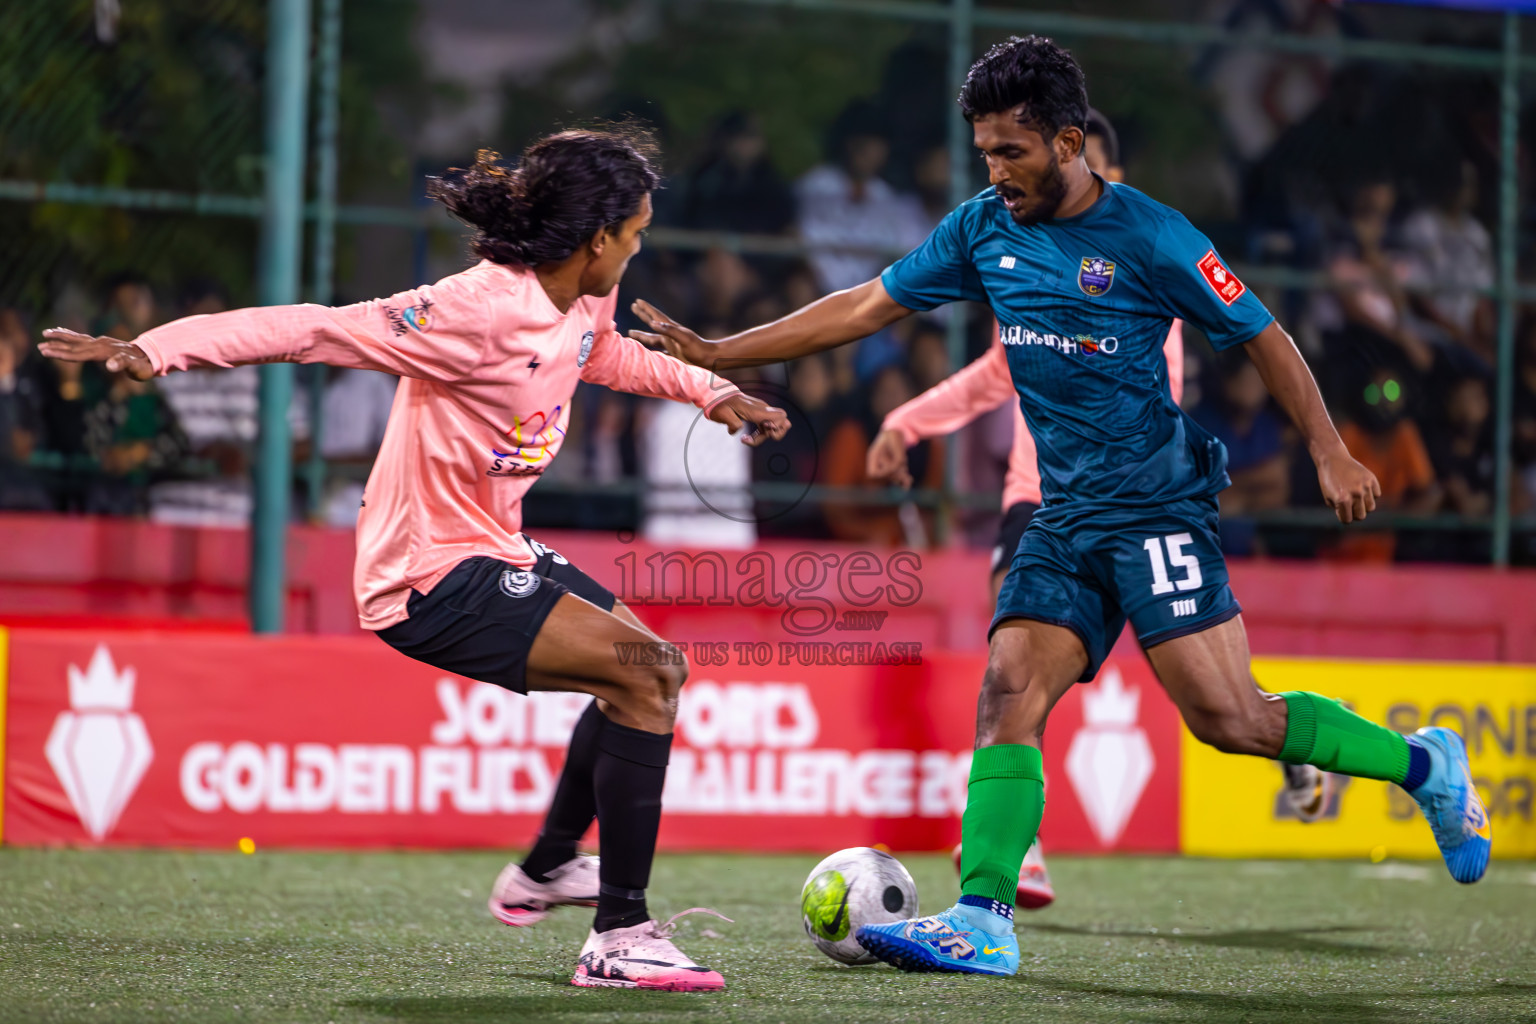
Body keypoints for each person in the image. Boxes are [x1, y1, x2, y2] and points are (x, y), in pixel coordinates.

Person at [634, 37, 1490, 977]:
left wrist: (1329, 448)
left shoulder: (1154, 235)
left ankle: (1425, 766)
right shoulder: (980, 230)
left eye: (1013, 151)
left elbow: (1265, 334)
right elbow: (864, 306)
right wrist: (723, 353)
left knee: (1231, 720)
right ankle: (986, 917)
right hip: (1064, 515)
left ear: (1070, 142)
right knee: (1008, 689)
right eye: (985, 152)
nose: (995, 172)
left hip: (1159, 509)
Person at [40, 130, 788, 993]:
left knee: (651, 674)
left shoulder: (583, 300)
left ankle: (548, 868)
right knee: (647, 673)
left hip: (495, 544)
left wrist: (713, 391)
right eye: (636, 232)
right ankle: (619, 936)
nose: (640, 246)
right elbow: (316, 329)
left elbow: (601, 355)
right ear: (596, 240)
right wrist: (158, 348)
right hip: (425, 576)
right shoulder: (474, 311)